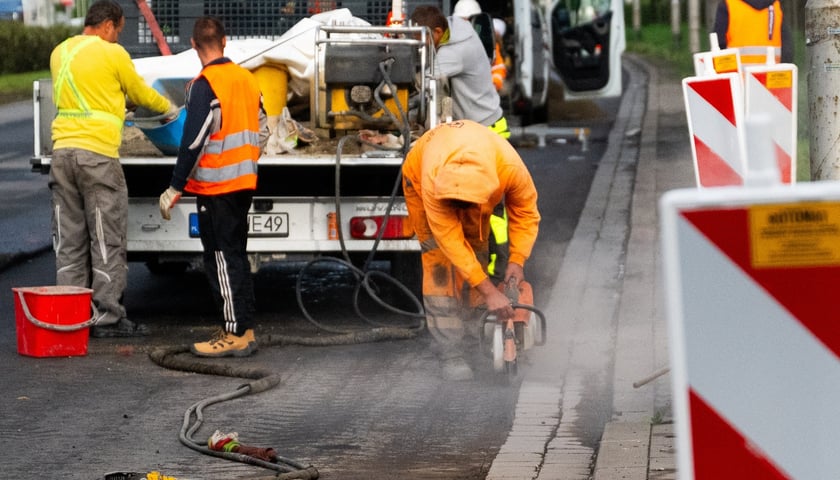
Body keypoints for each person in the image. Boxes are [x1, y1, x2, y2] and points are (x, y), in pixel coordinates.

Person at [49, 0, 177, 338]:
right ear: (108, 25)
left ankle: (70, 315)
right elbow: (139, 92)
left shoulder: (60, 52)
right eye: (118, 32)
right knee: (106, 238)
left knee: (70, 240)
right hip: (97, 156)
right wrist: (171, 109)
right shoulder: (112, 53)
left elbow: (90, 94)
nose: (117, 39)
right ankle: (107, 318)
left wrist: (119, 101)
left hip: (61, 154)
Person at [158, 16, 269, 357]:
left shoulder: (203, 85)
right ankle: (243, 328)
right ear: (225, 41)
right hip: (244, 184)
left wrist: (175, 187)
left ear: (193, 45)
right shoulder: (248, 81)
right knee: (235, 255)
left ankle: (233, 332)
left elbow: (193, 141)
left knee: (220, 258)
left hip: (215, 189)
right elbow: (263, 128)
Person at [402, 120, 541, 381]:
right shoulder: (432, 183)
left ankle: (474, 335)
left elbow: (525, 212)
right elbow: (451, 243)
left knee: (476, 249)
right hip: (421, 179)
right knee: (440, 263)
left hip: (474, 181)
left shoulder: (509, 168)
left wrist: (518, 259)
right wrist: (489, 292)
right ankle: (451, 352)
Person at [410, 5, 510, 138]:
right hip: (485, 123)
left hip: (486, 129)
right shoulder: (454, 28)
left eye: (422, 38)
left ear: (438, 31)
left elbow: (423, 81)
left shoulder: (455, 52)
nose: (420, 43)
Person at [712, 0, 793, 65]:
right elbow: (787, 49)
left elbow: (718, 44)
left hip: (737, 80)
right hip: (770, 79)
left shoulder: (728, 4)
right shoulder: (776, 5)